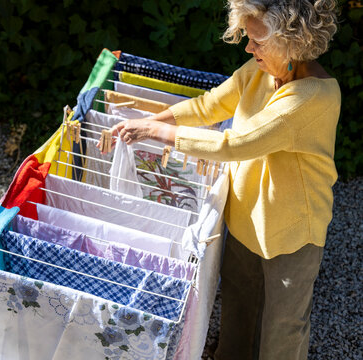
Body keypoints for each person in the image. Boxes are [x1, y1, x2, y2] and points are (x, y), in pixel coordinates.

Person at [109, 1, 340, 359]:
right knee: (237, 303)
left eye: (257, 41)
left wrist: (156, 132)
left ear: (292, 41)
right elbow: (211, 105)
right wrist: (158, 118)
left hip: (294, 229)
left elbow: (237, 144)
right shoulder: (261, 70)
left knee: (283, 326)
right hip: (246, 216)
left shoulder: (313, 98)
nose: (249, 48)